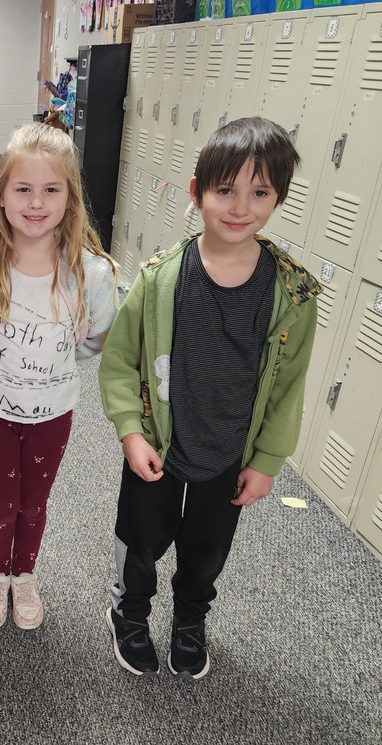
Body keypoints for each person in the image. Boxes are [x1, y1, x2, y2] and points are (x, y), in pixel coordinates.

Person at [99, 116, 322, 679]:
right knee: (142, 536)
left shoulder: (291, 291)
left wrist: (267, 461)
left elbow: (288, 386)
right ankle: (129, 611)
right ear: (198, 191)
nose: (240, 207)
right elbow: (122, 360)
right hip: (158, 441)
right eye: (225, 190)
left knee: (206, 549)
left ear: (279, 198)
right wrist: (130, 430)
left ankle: (191, 619)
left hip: (229, 450)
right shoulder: (160, 278)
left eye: (260, 192)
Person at [0, 123, 120, 631]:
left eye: (51, 189)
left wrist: (54, 367)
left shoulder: (93, 273)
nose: (36, 202)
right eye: (23, 189)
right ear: (1, 197)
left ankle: (25, 575)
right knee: (0, 503)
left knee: (34, 505)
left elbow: (95, 338)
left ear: (70, 198)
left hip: (52, 414)